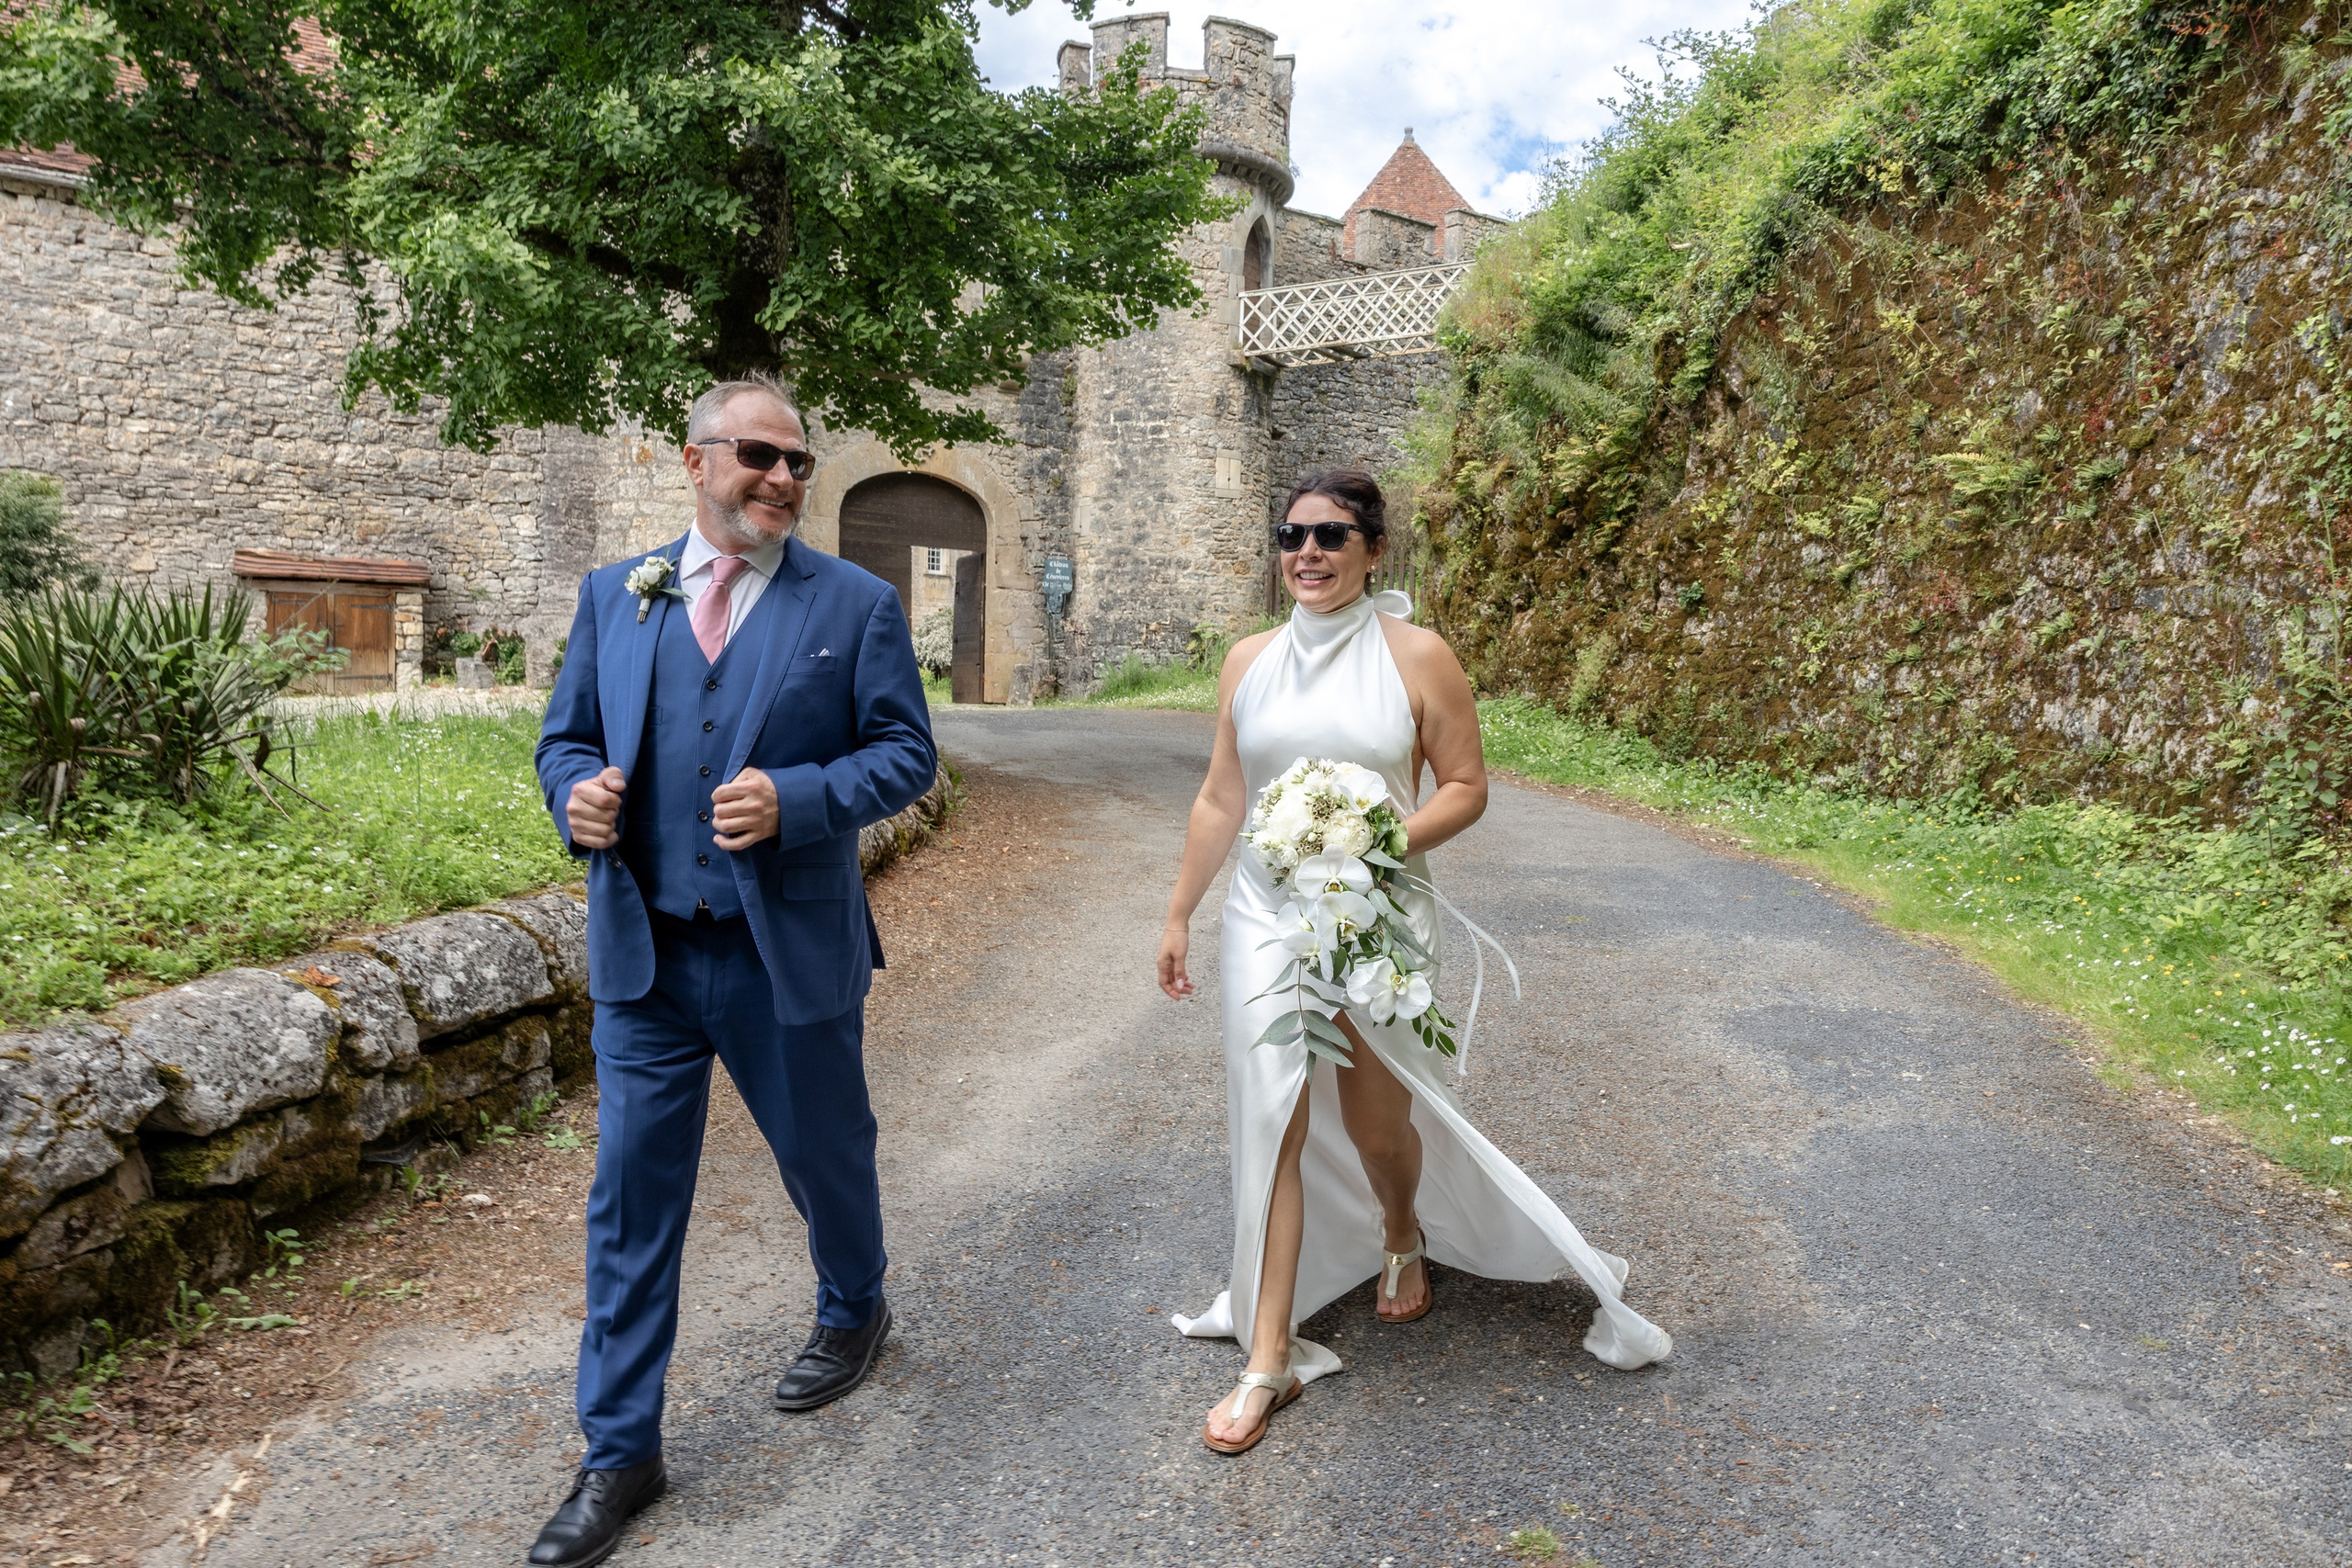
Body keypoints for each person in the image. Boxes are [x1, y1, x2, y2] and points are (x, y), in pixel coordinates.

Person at [1155, 468, 1672, 1455]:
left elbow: (1466, 787)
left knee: (1378, 1118)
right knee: (1270, 1115)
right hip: (1265, 913)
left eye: (1332, 536)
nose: (1307, 551)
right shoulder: (1246, 661)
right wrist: (1181, 910)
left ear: (1373, 551)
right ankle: (1270, 1355)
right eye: (1291, 533)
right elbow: (1222, 798)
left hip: (1376, 909)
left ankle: (1401, 1227)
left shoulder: (1417, 656)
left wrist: (1376, 841)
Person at [528, 374, 936, 1564]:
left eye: (800, 461)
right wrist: (576, 794)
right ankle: (619, 1451)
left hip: (783, 954)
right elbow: (562, 737)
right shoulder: (618, 595)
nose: (784, 479)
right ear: (694, 460)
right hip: (645, 956)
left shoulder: (852, 604)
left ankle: (855, 1302)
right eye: (760, 455)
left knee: (826, 1153)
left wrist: (801, 798)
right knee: (629, 1204)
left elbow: (906, 752)